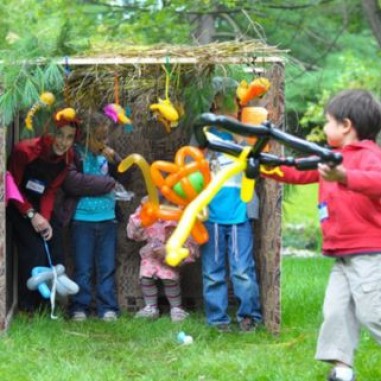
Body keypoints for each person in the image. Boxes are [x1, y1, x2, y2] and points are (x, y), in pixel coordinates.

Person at [263, 89, 381, 381]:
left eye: (328, 121)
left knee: (373, 313)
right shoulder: (330, 158)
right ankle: (342, 371)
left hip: (370, 253)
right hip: (342, 254)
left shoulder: (370, 156)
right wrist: (263, 165)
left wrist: (345, 177)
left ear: (346, 125)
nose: (325, 128)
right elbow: (295, 172)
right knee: (336, 312)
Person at [200, 76, 263, 332]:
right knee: (213, 271)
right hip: (212, 214)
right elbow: (192, 166)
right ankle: (217, 319)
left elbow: (255, 163)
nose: (233, 105)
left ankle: (249, 316)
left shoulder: (246, 130)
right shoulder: (204, 133)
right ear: (215, 102)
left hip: (239, 214)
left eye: (236, 101)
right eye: (227, 100)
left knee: (242, 270)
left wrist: (240, 135)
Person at [7, 108, 81, 313]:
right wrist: (31, 215)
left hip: (41, 207)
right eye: (59, 134)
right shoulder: (25, 151)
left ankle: (51, 304)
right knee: (34, 250)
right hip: (18, 204)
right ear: (48, 131)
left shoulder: (68, 158)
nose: (63, 142)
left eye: (69, 137)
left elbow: (50, 191)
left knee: (55, 242)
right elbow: (11, 184)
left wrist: (45, 219)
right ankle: (29, 307)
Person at [60, 111, 122, 322]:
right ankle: (79, 307)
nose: (103, 142)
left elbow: (126, 177)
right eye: (99, 138)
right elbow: (74, 183)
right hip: (82, 219)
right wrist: (109, 184)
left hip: (107, 218)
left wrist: (117, 161)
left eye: (106, 137)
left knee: (106, 268)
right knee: (83, 268)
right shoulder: (75, 154)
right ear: (86, 137)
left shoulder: (108, 155)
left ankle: (108, 308)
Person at [127, 197, 200, 322]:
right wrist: (141, 212)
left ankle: (176, 308)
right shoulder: (148, 207)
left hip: (171, 252)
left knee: (170, 279)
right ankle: (150, 307)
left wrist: (171, 249)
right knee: (146, 277)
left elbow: (189, 234)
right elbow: (134, 233)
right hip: (151, 252)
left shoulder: (181, 209)